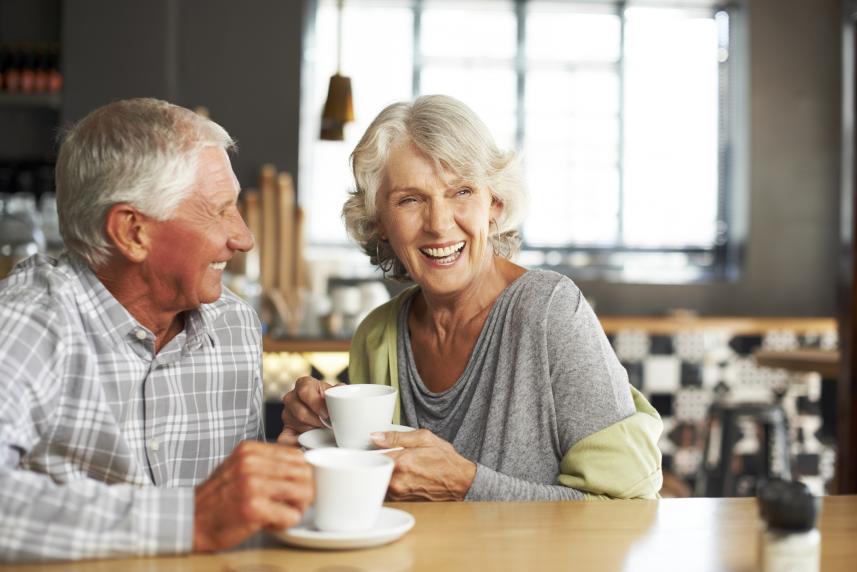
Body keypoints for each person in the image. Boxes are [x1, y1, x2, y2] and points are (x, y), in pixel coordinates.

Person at [280, 95, 662, 502]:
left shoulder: (550, 312)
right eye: (410, 199)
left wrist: (466, 484)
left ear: (494, 204)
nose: (440, 224)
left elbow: (629, 512)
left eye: (461, 191)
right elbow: (370, 495)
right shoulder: (377, 335)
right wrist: (317, 433)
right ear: (380, 223)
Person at [0, 98, 313, 562]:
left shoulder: (235, 323)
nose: (244, 238)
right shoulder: (29, 322)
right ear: (132, 232)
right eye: (219, 211)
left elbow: (236, 513)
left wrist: (287, 461)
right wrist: (191, 519)